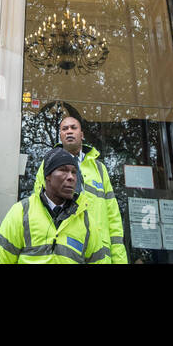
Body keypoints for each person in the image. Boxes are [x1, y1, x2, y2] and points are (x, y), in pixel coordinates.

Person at [32, 110, 127, 263]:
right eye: (64, 129)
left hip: (99, 255)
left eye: (73, 128)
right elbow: (37, 206)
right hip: (61, 251)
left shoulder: (100, 169)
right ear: (61, 136)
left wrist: (119, 260)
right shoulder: (47, 165)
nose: (69, 131)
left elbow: (113, 218)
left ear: (82, 134)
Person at [0, 148, 110, 264]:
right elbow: (2, 259)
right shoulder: (22, 212)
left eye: (74, 172)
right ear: (48, 175)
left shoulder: (86, 222)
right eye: (63, 170)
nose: (71, 177)